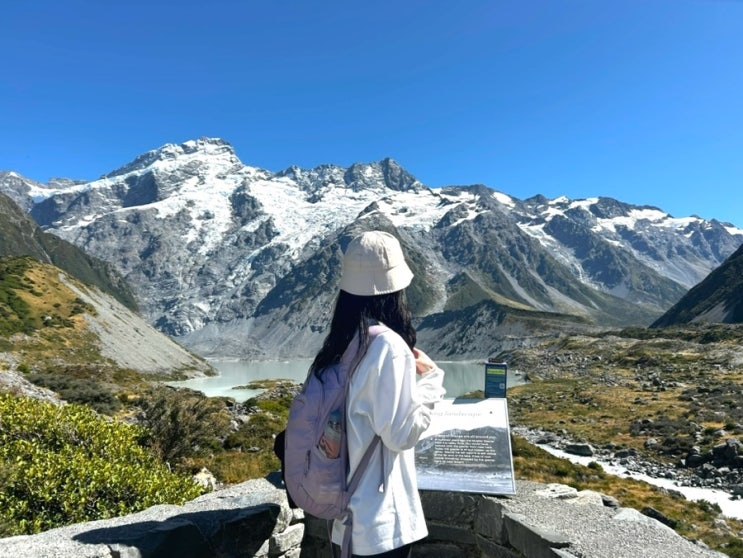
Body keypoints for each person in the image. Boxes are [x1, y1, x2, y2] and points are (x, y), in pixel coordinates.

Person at [309, 230, 446, 558]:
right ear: (395, 291)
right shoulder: (387, 346)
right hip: (380, 525)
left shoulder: (340, 344)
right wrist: (432, 379)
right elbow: (401, 435)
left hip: (344, 519)